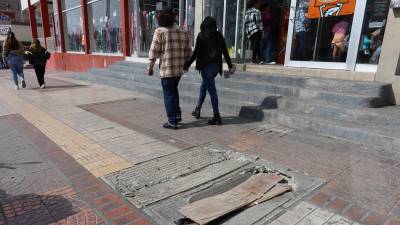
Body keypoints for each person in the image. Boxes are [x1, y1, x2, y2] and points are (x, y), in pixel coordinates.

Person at [147, 7, 192, 130]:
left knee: (169, 94)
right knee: (173, 91)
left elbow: (153, 51)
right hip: (178, 70)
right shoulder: (182, 31)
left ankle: (172, 121)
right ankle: (177, 115)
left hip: (167, 70)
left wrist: (150, 67)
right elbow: (188, 51)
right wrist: (186, 64)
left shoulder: (160, 31)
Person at [184, 17, 234, 125]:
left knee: (212, 92)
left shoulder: (201, 35)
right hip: (215, 68)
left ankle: (217, 116)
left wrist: (187, 65)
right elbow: (225, 52)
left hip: (206, 68)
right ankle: (197, 109)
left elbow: (196, 53)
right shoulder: (218, 35)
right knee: (204, 87)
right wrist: (230, 65)